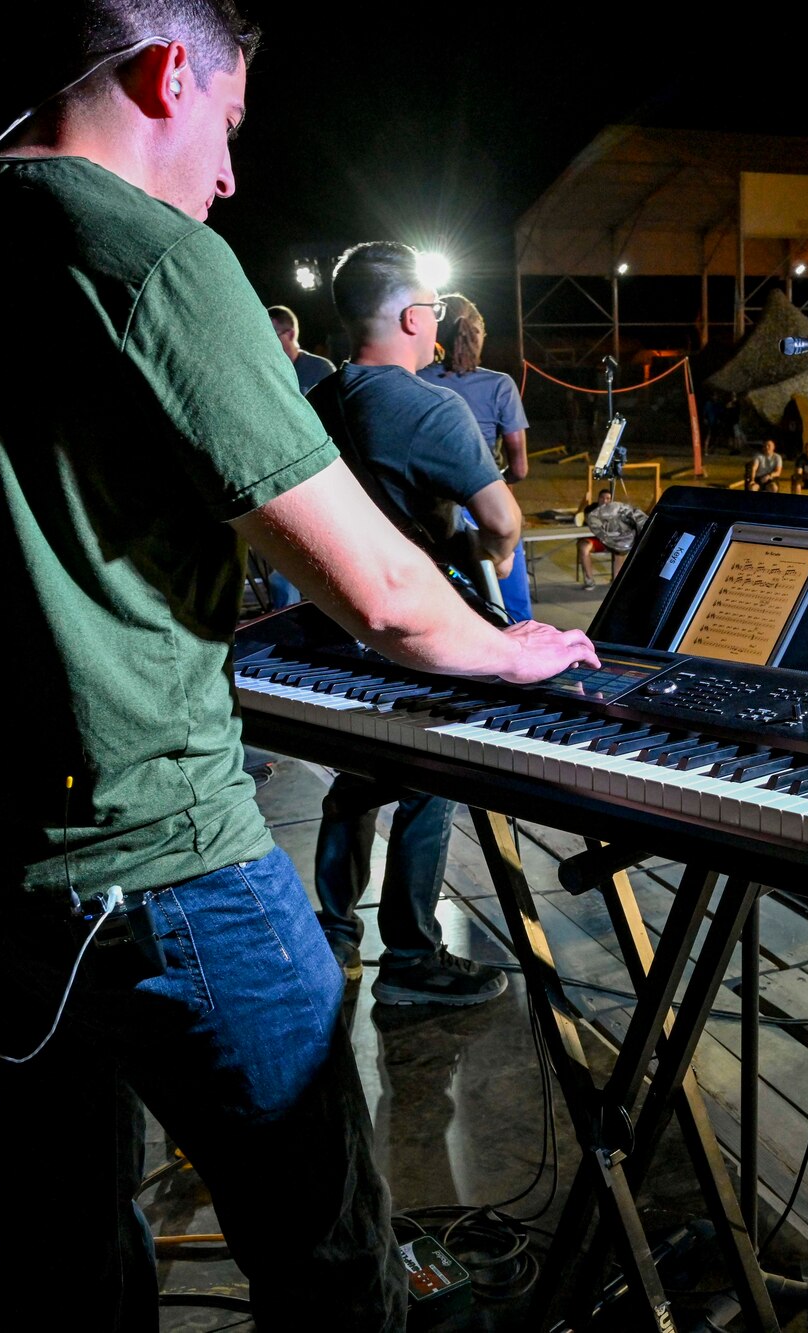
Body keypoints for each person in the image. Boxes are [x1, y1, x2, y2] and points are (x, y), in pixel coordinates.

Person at [0, 9, 598, 1326]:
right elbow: (390, 597)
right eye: (229, 123)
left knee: (57, 1245)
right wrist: (514, 643)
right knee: (324, 1241)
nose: (228, 172)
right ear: (170, 72)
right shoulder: (151, 254)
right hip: (157, 861)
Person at [312, 241, 524, 1009]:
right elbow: (503, 520)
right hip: (412, 631)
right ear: (411, 315)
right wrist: (478, 548)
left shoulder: (318, 402)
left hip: (331, 631)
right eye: (432, 308)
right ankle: (410, 956)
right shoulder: (430, 406)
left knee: (355, 777)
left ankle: (333, 938)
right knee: (429, 782)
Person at [419, 294, 533, 622]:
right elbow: (520, 468)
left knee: (448, 612)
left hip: (433, 509)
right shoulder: (500, 385)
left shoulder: (417, 382)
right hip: (487, 503)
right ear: (479, 335)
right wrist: (497, 480)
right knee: (511, 612)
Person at [580, 484, 646, 585]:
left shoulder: (616, 511)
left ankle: (616, 582)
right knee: (584, 548)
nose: (604, 500)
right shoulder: (591, 509)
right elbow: (582, 520)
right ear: (598, 498)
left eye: (608, 498)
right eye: (602, 498)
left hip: (612, 541)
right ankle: (589, 580)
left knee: (620, 551)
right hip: (596, 541)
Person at [268, 303, 334, 394]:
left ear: (291, 334)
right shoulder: (267, 370)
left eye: (273, 336)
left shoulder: (321, 369)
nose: (268, 342)